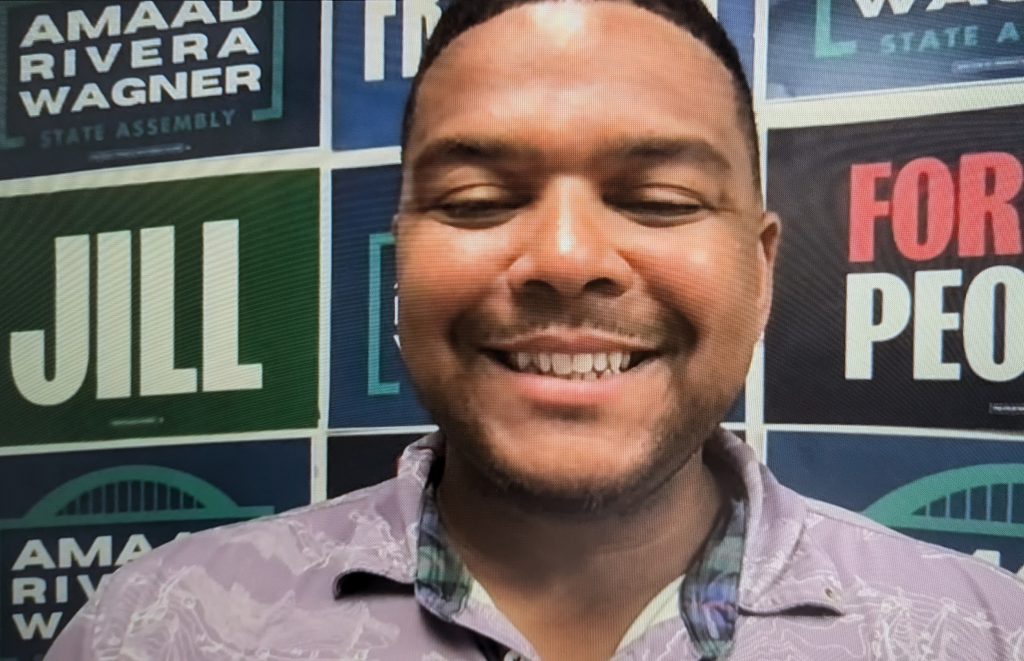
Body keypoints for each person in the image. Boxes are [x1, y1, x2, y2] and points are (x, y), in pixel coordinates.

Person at [46, 1, 1024, 660]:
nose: (563, 255)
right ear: (398, 260)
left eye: (658, 198)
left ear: (761, 270)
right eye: (474, 201)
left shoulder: (983, 636)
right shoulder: (153, 632)